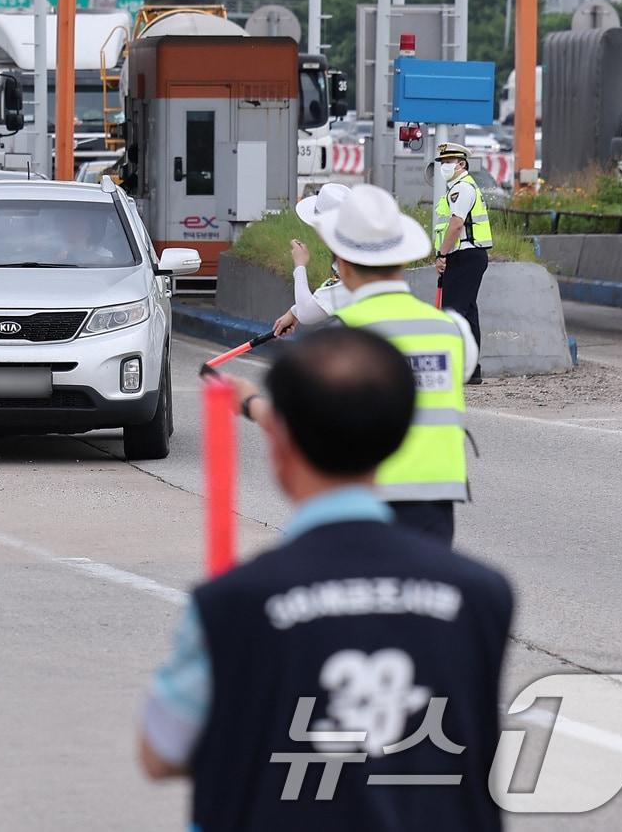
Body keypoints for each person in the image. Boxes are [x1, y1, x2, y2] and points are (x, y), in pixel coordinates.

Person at [140, 326, 514, 832]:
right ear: (399, 440)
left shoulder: (231, 602)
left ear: (279, 449)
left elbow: (161, 752)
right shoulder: (482, 596)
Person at [252, 184, 478, 546]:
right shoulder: (453, 331)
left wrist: (248, 403)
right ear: (402, 259)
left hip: (365, 503)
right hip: (436, 507)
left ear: (341, 264)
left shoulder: (340, 341)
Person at [433, 142, 492, 384]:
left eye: (448, 162)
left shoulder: (462, 189)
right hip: (467, 256)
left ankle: (456, 367)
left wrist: (442, 254)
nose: (444, 166)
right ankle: (471, 370)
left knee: (453, 313)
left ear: (461, 164)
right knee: (467, 314)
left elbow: (456, 225)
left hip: (465, 256)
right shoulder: (458, 188)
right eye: (442, 162)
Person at [272, 183, 353, 337]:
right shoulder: (356, 257)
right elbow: (330, 294)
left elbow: (307, 314)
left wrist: (299, 265)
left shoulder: (353, 270)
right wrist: (294, 311)